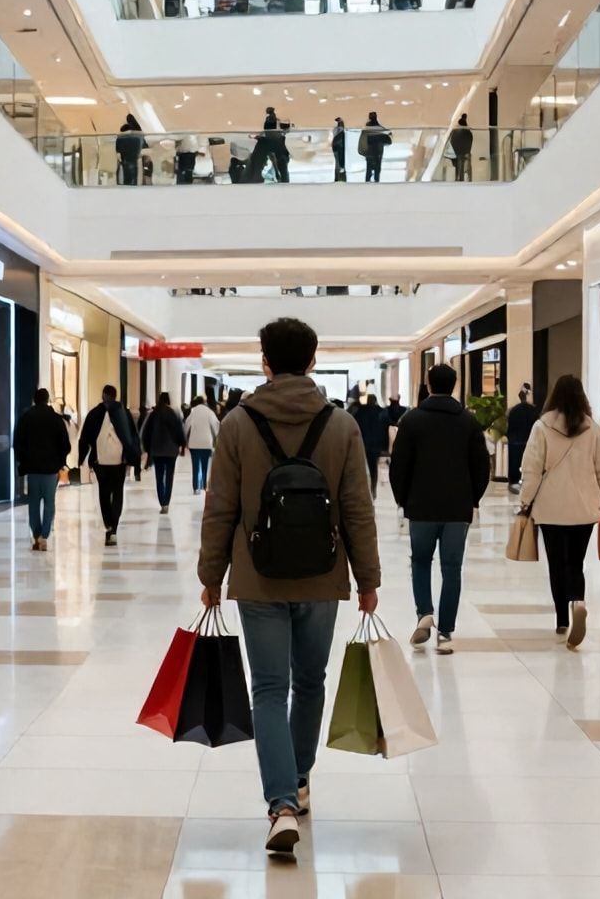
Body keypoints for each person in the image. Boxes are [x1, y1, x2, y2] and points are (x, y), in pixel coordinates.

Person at [198, 317, 379, 855]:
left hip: (257, 577)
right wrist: (367, 578)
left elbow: (220, 510)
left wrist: (212, 575)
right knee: (311, 679)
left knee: (269, 688)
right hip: (324, 576)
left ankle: (279, 804)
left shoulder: (237, 423)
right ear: (314, 360)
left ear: (265, 362)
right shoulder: (341, 426)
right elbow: (358, 512)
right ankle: (298, 782)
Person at [389, 363, 489, 655]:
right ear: (454, 386)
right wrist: (473, 497)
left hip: (421, 506)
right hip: (457, 508)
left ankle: (424, 613)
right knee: (452, 568)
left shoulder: (412, 420)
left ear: (429, 385)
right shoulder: (467, 422)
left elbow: (399, 465)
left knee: (420, 561)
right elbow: (481, 464)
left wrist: (402, 498)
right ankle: (445, 632)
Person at [517, 374, 600, 650]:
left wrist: (525, 502)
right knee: (576, 562)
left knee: (557, 563)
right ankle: (578, 600)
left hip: (550, 508)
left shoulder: (542, 427)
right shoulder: (593, 429)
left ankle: (561, 618)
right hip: (585, 509)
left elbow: (532, 468)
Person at [79, 385, 141, 546]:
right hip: (119, 461)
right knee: (118, 492)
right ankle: (114, 528)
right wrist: (134, 458)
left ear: (103, 395)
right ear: (115, 396)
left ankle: (108, 524)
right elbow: (132, 436)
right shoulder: (123, 412)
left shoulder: (95, 413)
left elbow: (85, 437)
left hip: (100, 462)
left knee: (104, 492)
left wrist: (82, 458)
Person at [13, 387, 72, 550]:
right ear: (47, 400)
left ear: (34, 399)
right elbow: (65, 445)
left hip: (32, 469)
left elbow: (17, 442)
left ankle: (36, 534)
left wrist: (23, 461)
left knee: (33, 503)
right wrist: (60, 461)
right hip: (50, 469)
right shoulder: (56, 419)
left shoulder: (26, 418)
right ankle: (44, 536)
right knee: (49, 503)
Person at [140, 391, 188, 513]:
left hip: (157, 450)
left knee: (159, 476)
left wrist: (147, 448)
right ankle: (167, 501)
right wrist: (182, 445)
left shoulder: (153, 414)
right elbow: (179, 431)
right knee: (169, 476)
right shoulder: (173, 413)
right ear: (168, 400)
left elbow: (146, 433)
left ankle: (162, 502)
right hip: (171, 451)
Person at [353, 394, 390, 498]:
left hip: (364, 444)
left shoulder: (361, 412)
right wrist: (385, 446)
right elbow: (385, 429)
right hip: (375, 445)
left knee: (366, 468)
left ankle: (369, 489)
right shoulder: (381, 412)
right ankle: (373, 489)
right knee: (373, 469)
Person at [505, 384, 538, 493]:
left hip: (515, 442)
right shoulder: (533, 410)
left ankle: (514, 483)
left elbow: (509, 427)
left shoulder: (513, 410)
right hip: (528, 442)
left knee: (515, 463)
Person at [185, 395, 220, 493]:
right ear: (204, 402)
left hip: (194, 443)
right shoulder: (209, 412)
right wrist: (217, 437)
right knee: (205, 466)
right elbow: (216, 425)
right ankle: (204, 486)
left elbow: (187, 424)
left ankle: (196, 487)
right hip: (206, 443)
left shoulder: (193, 411)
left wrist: (185, 438)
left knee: (195, 466)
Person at [116, 114, 144, 186]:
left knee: (127, 178)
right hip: (134, 160)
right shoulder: (138, 137)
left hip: (125, 160)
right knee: (134, 178)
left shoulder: (120, 139)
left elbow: (118, 153)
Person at [362, 112, 390, 182]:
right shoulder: (380, 127)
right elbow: (388, 134)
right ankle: (376, 180)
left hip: (369, 150)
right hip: (378, 150)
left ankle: (367, 180)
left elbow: (362, 139)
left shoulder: (366, 128)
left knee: (368, 166)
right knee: (377, 166)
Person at [449, 114, 474, 182]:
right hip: (464, 152)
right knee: (463, 167)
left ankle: (459, 179)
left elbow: (452, 141)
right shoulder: (467, 131)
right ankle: (464, 179)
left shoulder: (456, 131)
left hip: (459, 152)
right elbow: (470, 140)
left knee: (459, 167)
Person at [330, 117, 347, 182]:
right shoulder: (342, 130)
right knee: (341, 163)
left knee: (337, 163)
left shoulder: (335, 130)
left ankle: (337, 178)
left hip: (335, 147)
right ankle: (341, 178)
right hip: (340, 148)